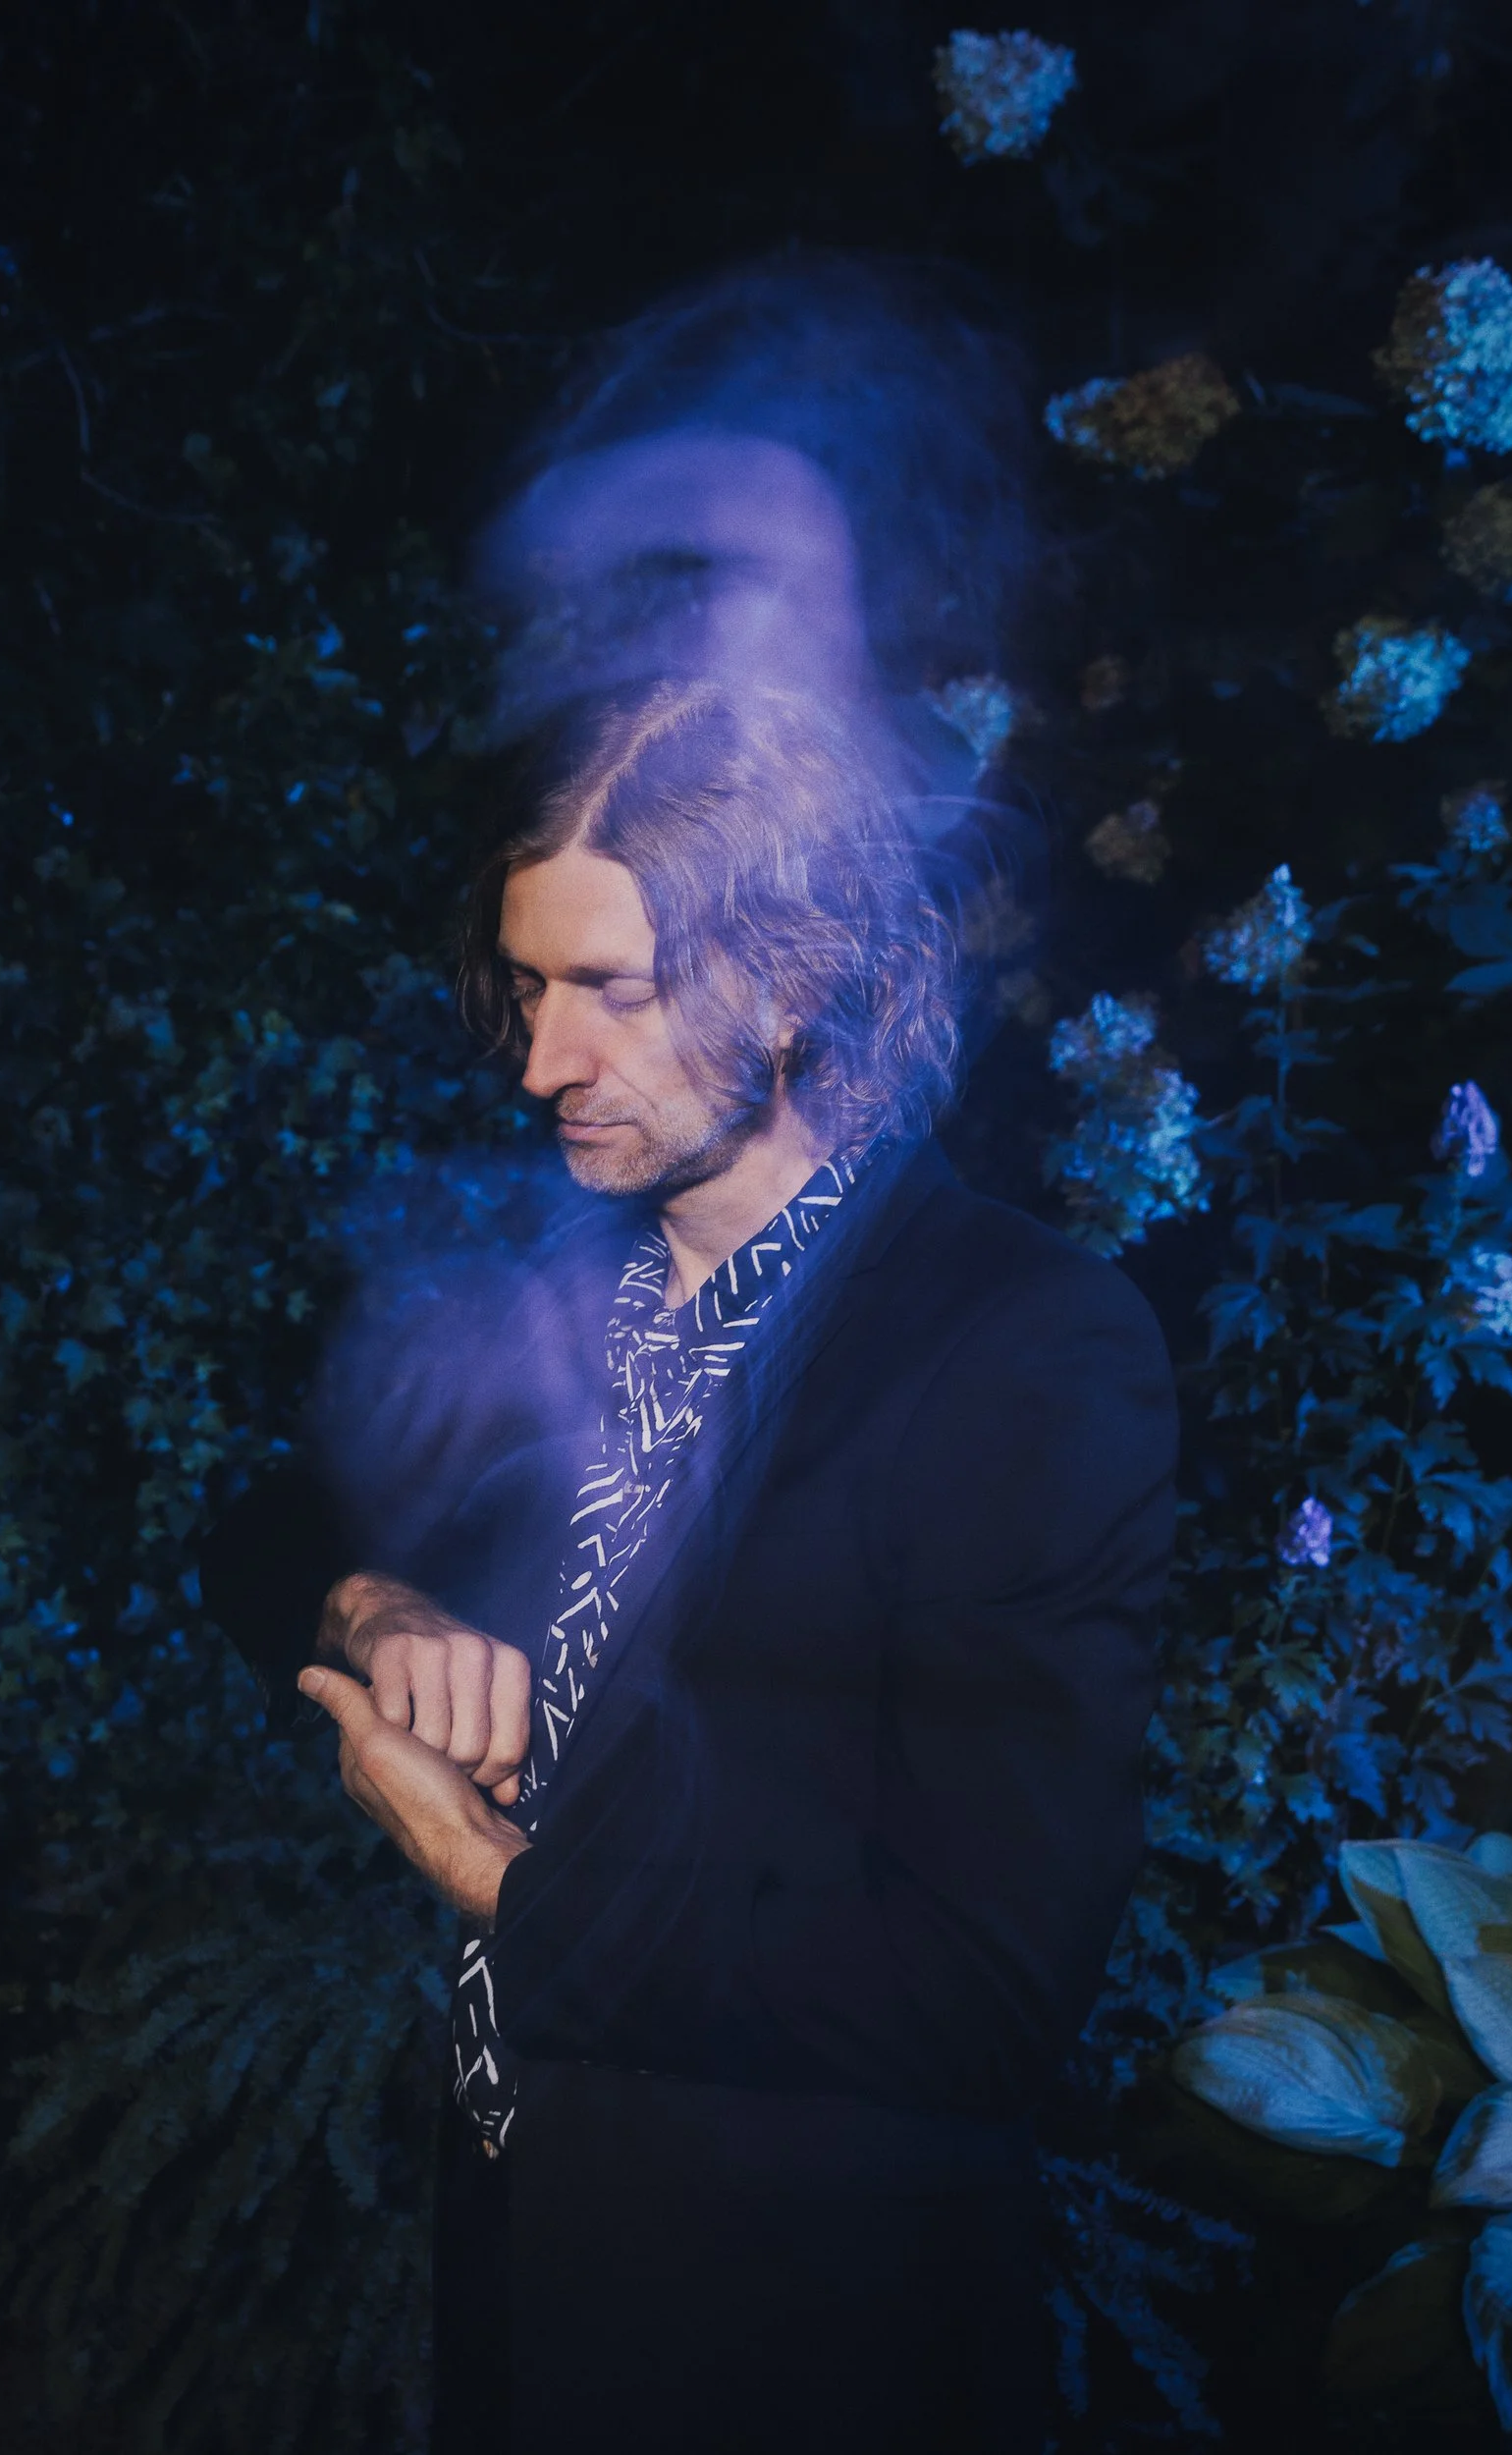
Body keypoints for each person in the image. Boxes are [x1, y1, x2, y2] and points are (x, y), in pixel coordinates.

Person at [201, 681, 1175, 2454]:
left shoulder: (1013, 1346)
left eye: (613, 991)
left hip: (794, 2343)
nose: (541, 1062)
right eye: (529, 987)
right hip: (523, 2271)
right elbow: (268, 1521)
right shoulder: (572, 1284)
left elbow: (982, 2000)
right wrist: (380, 1604)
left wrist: (498, 1884)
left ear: (795, 977)